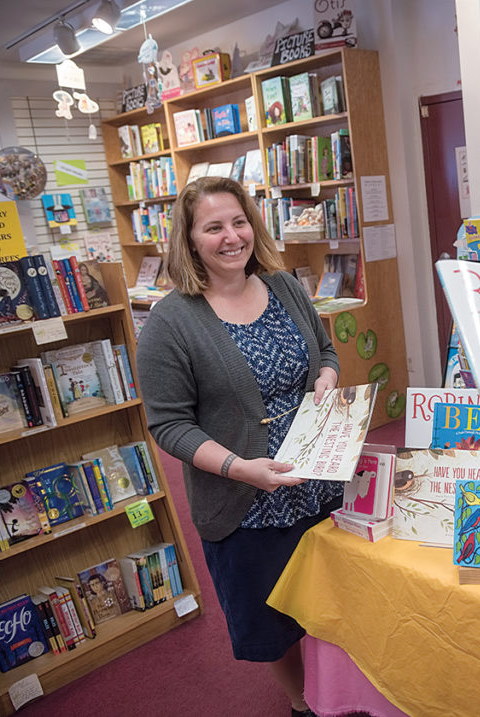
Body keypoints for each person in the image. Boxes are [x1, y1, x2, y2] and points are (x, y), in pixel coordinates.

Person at [137, 176, 340, 717]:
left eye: (239, 221)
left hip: (318, 481)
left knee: (336, 604)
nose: (231, 237)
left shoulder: (284, 285)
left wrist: (326, 375)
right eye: (213, 227)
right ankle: (303, 705)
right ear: (189, 238)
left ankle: (341, 691)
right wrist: (238, 468)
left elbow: (324, 348)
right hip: (245, 499)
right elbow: (168, 425)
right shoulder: (170, 322)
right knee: (273, 619)